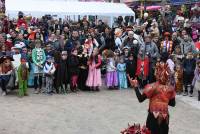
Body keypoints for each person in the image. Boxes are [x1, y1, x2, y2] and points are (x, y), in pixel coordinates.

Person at [128, 61, 176, 134]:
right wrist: (164, 98)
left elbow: (140, 99)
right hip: (165, 116)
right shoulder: (170, 88)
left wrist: (135, 86)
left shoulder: (152, 86)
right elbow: (173, 104)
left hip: (153, 116)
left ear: (157, 74)